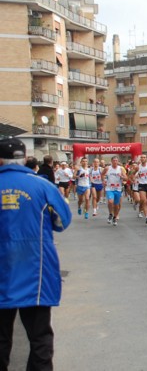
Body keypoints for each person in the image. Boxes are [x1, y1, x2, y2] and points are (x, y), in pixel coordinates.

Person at [0, 137, 72, 371]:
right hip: (36, 272)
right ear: (24, 158)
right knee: (40, 337)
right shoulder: (42, 186)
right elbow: (62, 221)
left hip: (2, 272)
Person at [102, 156, 128, 226]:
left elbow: (126, 178)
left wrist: (122, 177)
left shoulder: (121, 169)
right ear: (111, 161)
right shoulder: (107, 168)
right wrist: (103, 181)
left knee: (116, 205)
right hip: (109, 188)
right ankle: (110, 214)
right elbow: (102, 174)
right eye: (114, 160)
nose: (115, 162)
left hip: (118, 189)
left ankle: (115, 217)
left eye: (116, 160)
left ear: (118, 161)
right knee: (110, 201)